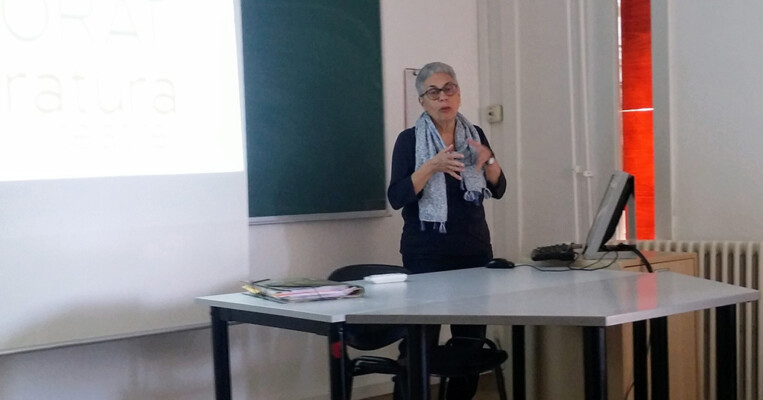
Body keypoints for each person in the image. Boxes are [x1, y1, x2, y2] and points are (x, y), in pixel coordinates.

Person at [387, 62, 506, 399]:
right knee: (420, 343)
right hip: (426, 256)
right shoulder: (409, 140)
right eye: (433, 92)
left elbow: (498, 188)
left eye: (449, 89)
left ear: (459, 94)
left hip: (474, 253)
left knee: (469, 346)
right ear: (422, 101)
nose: (443, 97)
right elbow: (397, 197)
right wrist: (432, 167)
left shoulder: (474, 135)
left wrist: (489, 160)